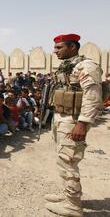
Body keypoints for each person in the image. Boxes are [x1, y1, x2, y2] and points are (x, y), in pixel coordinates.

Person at [44, 34, 102, 217]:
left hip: (73, 121)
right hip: (61, 118)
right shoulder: (67, 67)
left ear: (73, 47)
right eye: (55, 47)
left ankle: (73, 207)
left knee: (68, 161)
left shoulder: (87, 66)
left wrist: (83, 123)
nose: (55, 51)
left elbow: (93, 97)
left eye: (59, 47)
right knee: (62, 159)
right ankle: (67, 196)